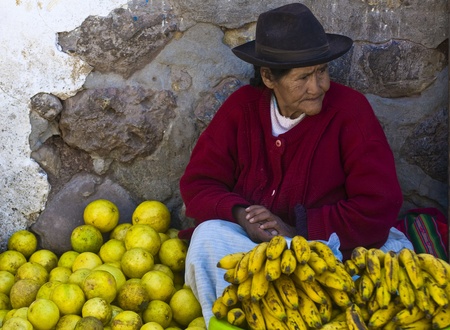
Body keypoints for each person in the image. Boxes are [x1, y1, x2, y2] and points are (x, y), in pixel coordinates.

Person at [178, 3, 413, 326]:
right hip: (257, 253)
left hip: (330, 251)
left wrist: (297, 229)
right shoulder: (240, 110)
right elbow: (198, 184)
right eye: (303, 77)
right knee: (208, 240)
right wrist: (242, 216)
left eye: (322, 71)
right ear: (268, 77)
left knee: (384, 274)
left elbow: (379, 205)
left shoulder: (350, 113)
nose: (318, 87)